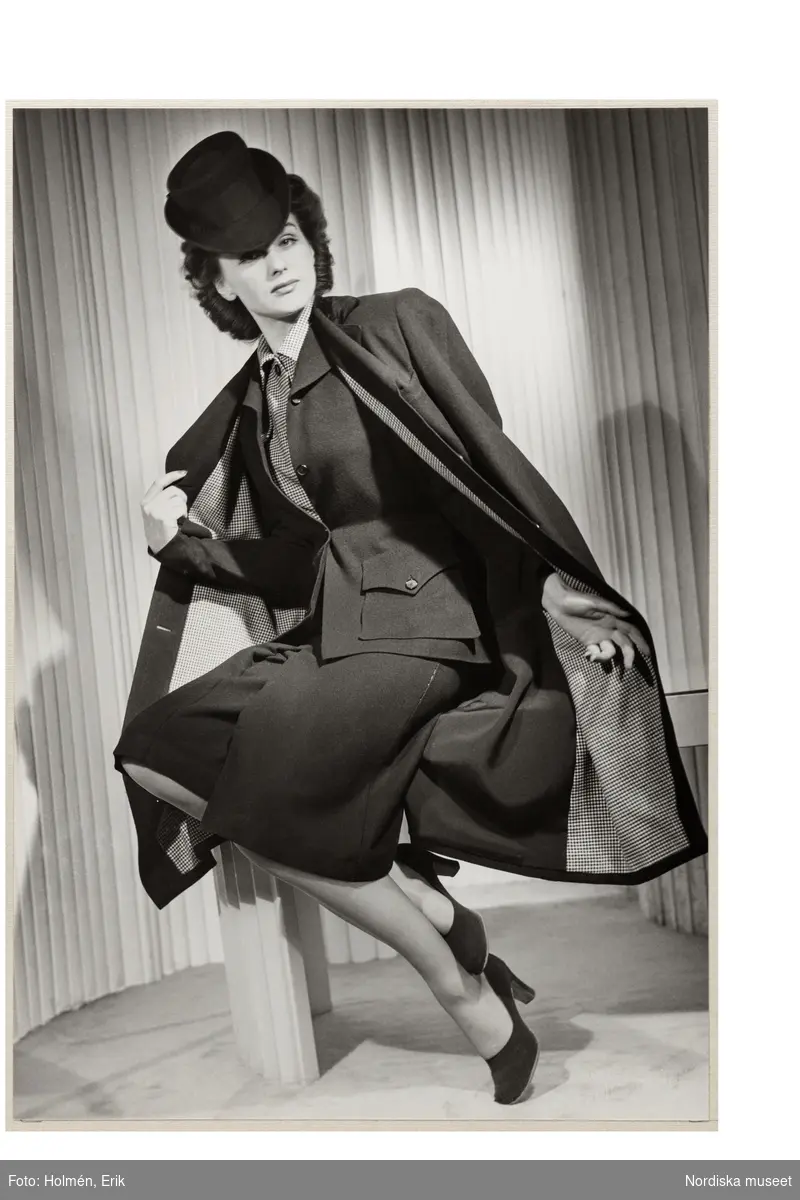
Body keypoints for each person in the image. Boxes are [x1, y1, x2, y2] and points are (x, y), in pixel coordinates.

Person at [113, 131, 707, 1106]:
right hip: (329, 634)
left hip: (425, 627)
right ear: (217, 282)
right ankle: (434, 910)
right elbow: (295, 557)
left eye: (288, 236)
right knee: (152, 750)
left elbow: (483, 468)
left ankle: (463, 991)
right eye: (252, 253)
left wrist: (555, 588)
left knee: (271, 805)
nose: (281, 260)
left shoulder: (393, 326)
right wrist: (175, 544)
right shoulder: (251, 404)